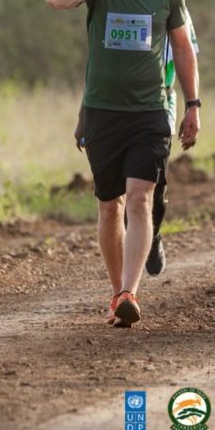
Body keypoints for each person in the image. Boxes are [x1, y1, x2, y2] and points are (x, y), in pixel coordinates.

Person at [45, 0, 200, 328]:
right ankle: (116, 293)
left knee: (140, 198)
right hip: (102, 112)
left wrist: (192, 105)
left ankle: (131, 291)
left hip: (149, 111)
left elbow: (184, 51)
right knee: (109, 206)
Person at [73, 20, 199, 277]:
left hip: (159, 102)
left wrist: (192, 106)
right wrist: (83, 114)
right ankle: (122, 284)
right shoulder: (113, 1)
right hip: (110, 107)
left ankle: (152, 232)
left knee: (154, 181)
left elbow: (186, 55)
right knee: (120, 192)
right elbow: (97, 67)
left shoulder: (171, 2)